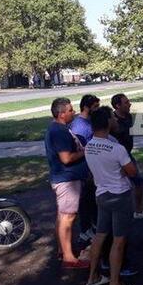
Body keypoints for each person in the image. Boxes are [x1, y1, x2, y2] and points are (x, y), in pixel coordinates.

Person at [84, 106, 137, 285]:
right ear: (107, 122)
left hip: (102, 195)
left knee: (100, 236)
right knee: (118, 241)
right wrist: (121, 171)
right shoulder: (116, 148)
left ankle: (93, 276)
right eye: (112, 118)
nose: (115, 120)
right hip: (119, 196)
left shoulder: (89, 145)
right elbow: (132, 172)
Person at [44, 98, 90, 269]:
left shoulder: (59, 128)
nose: (74, 112)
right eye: (71, 110)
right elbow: (66, 158)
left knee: (62, 216)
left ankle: (62, 250)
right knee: (67, 217)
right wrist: (86, 151)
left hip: (65, 178)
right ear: (61, 113)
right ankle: (69, 258)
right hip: (67, 180)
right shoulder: (59, 131)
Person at [111, 93, 143, 220]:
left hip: (127, 155)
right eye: (126, 102)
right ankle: (117, 216)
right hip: (116, 158)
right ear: (117, 106)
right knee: (119, 187)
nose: (130, 104)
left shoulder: (129, 116)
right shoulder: (112, 120)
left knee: (138, 182)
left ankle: (138, 211)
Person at [70, 94, 101, 243]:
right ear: (87, 107)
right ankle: (85, 230)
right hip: (85, 168)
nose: (98, 109)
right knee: (86, 201)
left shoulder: (88, 122)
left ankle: (93, 225)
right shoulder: (79, 126)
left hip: (92, 166)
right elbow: (79, 147)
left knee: (92, 199)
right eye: (95, 107)